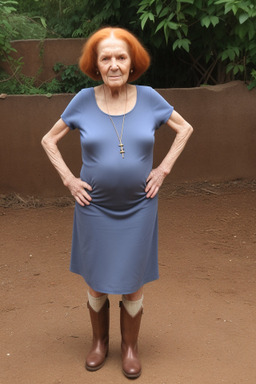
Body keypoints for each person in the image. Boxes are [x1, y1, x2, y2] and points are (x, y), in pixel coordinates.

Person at [41, 26, 193, 379]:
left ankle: (129, 348)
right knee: (95, 279)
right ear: (95, 64)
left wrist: (164, 168)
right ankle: (98, 343)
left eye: (121, 57)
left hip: (139, 207)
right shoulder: (81, 100)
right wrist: (68, 178)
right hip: (94, 207)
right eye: (105, 58)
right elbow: (49, 140)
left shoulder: (151, 98)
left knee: (133, 280)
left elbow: (184, 128)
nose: (113, 65)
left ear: (132, 63)